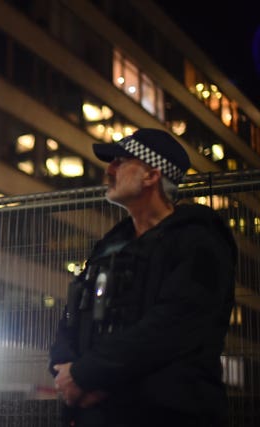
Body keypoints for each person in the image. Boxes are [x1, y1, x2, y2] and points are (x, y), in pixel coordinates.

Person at [49, 128, 237, 427]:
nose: (109, 169)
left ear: (151, 175)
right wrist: (65, 369)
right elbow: (74, 312)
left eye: (120, 161)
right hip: (95, 413)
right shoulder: (110, 246)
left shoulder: (200, 240)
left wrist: (86, 375)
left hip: (165, 415)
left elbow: (173, 325)